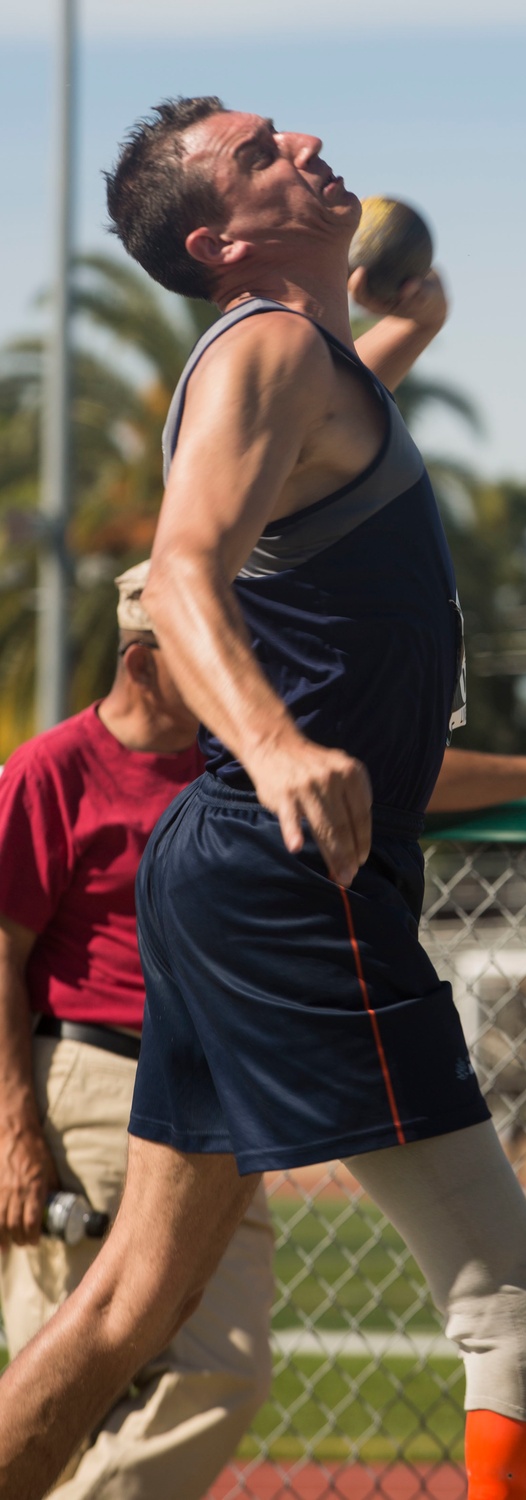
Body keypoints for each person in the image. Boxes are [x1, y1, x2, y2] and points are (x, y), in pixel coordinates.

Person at [0, 97, 526, 1500]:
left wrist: (412, 328)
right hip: (287, 873)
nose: (307, 144)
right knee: (523, 1322)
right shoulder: (266, 350)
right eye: (263, 151)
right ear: (219, 240)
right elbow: (188, 563)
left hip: (236, 874)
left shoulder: (309, 365)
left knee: (125, 1309)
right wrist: (272, 745)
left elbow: (319, 436)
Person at [0, 563, 274, 1500]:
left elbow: (413, 776)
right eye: (213, 649)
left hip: (217, 1089)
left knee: (222, 1370)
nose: (239, 672)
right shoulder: (52, 769)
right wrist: (15, 1132)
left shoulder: (237, 765)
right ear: (145, 660)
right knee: (70, 1390)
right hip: (91, 1078)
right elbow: (1, 954)